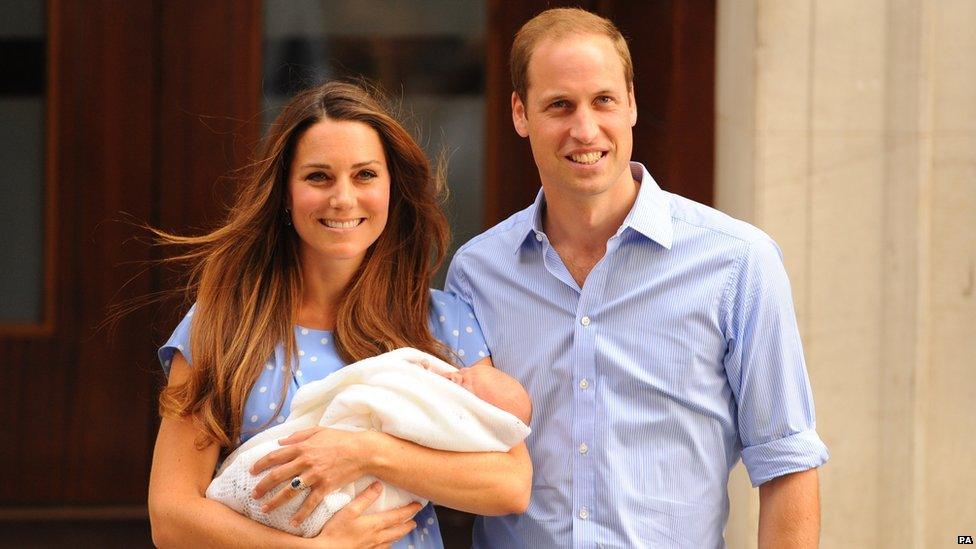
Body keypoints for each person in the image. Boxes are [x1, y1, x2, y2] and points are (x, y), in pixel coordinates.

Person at [445, 8, 829, 548]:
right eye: (559, 105)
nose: (585, 129)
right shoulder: (478, 273)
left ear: (631, 103)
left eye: (603, 100)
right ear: (520, 113)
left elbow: (786, 463)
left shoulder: (739, 262)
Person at [148, 81, 531, 549]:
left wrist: (364, 452)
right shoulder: (224, 324)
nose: (343, 199)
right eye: (319, 177)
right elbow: (171, 516)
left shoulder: (444, 322)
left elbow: (509, 486)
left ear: (393, 187)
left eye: (365, 175)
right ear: (284, 193)